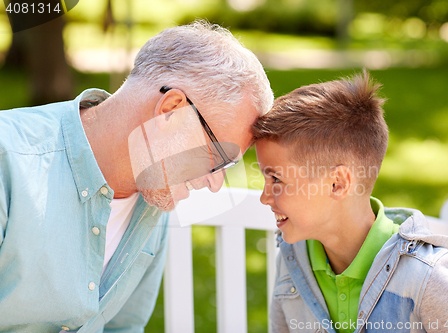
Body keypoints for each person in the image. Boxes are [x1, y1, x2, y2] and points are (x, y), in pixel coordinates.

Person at [0, 21, 273, 332]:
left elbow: (123, 327)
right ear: (171, 110)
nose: (213, 184)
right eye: (218, 159)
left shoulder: (154, 197)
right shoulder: (8, 163)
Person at [252, 71, 448, 333]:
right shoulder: (292, 261)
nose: (264, 197)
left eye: (276, 179)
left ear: (337, 183)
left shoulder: (427, 279)